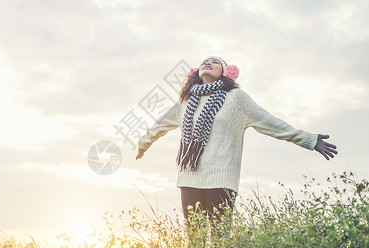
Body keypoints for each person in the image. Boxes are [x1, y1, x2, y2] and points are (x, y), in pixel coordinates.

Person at [135, 56, 338, 230]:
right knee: (195, 241)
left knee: (220, 240)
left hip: (221, 179)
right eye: (205, 61)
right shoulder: (187, 101)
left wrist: (308, 139)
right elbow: (161, 123)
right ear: (196, 72)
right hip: (189, 178)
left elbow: (269, 122)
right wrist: (145, 142)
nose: (209, 63)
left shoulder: (235, 98)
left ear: (225, 72)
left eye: (215, 62)